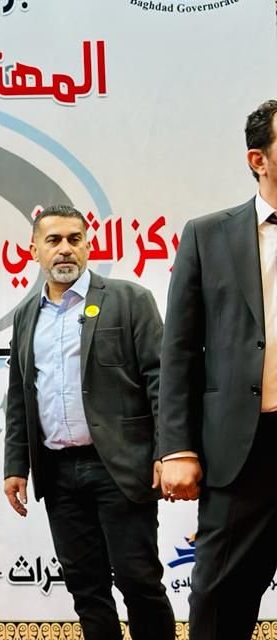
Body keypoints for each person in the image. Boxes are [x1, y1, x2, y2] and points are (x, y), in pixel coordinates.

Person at [3, 204, 175, 640]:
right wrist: (15, 466)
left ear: (87, 245)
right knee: (86, 588)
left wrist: (166, 451)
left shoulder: (129, 300)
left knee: (138, 580)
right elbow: (20, 395)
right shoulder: (26, 316)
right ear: (34, 250)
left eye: (74, 239)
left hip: (120, 467)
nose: (65, 249)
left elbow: (160, 380)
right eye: (54, 240)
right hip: (57, 473)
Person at [160, 99, 277, 639]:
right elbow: (180, 351)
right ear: (259, 159)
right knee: (220, 600)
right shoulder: (208, 236)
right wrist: (177, 448)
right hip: (243, 448)